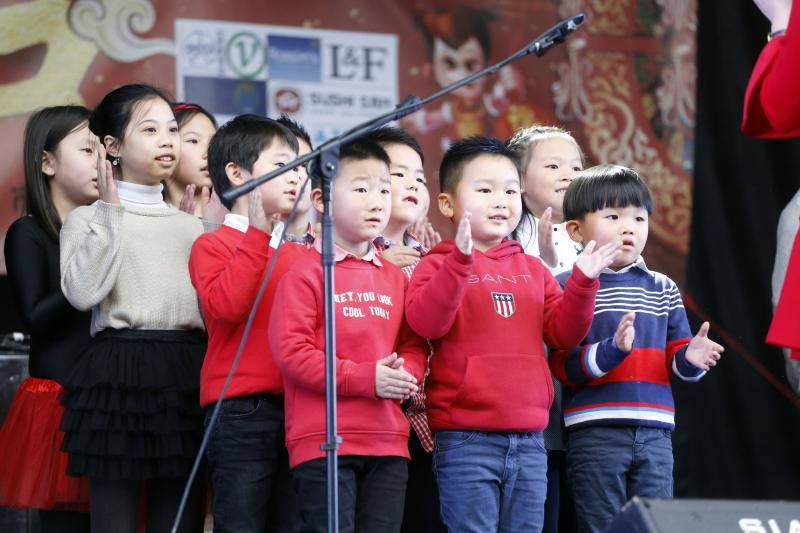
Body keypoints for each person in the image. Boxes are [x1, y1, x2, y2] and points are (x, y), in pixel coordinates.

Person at [405, 135, 620, 532]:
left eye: (509, 190)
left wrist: (583, 283)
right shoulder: (435, 265)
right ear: (448, 205)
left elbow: (564, 334)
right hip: (466, 439)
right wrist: (460, 263)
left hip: (530, 438)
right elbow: (427, 323)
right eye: (484, 190)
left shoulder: (533, 269)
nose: (500, 200)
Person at [58, 84, 206, 533]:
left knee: (178, 517)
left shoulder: (193, 225)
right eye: (150, 129)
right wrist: (109, 211)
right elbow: (82, 293)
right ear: (112, 146)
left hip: (185, 372)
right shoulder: (87, 219)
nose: (167, 140)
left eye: (171, 130)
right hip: (118, 372)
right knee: (114, 520)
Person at [551, 164, 724, 533]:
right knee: (601, 525)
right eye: (613, 215)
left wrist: (690, 359)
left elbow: (677, 360)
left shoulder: (662, 287)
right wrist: (612, 350)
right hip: (595, 433)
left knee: (653, 525)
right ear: (576, 230)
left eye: (639, 217)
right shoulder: (568, 286)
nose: (629, 226)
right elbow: (563, 365)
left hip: (655, 435)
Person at [269, 138, 428, 533]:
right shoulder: (305, 272)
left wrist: (402, 374)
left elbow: (414, 343)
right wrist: (366, 378)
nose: (377, 202)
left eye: (384, 190)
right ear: (321, 200)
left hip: (390, 441)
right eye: (361, 189)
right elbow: (291, 351)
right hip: (324, 440)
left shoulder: (394, 277)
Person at [188, 114, 304, 532]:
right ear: (236, 173)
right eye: (282, 167)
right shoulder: (212, 244)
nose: (298, 178)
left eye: (301, 167)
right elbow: (226, 307)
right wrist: (257, 234)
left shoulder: (302, 255)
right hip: (241, 412)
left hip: (299, 411)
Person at [0, 105, 96, 533]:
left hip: (107, 399)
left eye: (105, 151)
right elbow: (37, 316)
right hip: (57, 404)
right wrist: (90, 264)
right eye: (87, 149)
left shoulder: (107, 229)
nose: (102, 162)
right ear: (47, 162)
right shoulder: (29, 232)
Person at [363, 126, 444, 533]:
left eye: (419, 177)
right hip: (375, 417)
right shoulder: (344, 258)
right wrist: (375, 273)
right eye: (398, 174)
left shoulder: (437, 260)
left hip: (434, 425)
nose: (413, 183)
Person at [505, 124, 586, 532]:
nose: (567, 174)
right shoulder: (505, 241)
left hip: (590, 402)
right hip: (539, 404)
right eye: (553, 165)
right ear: (517, 181)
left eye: (575, 166)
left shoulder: (593, 237)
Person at [165, 102, 218, 217]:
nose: (209, 153)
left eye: (214, 143)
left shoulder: (234, 219)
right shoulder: (145, 217)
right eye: (193, 141)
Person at [276, 114, 316, 244]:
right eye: (282, 165)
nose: (295, 176)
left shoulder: (332, 251)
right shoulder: (245, 247)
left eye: (304, 165)